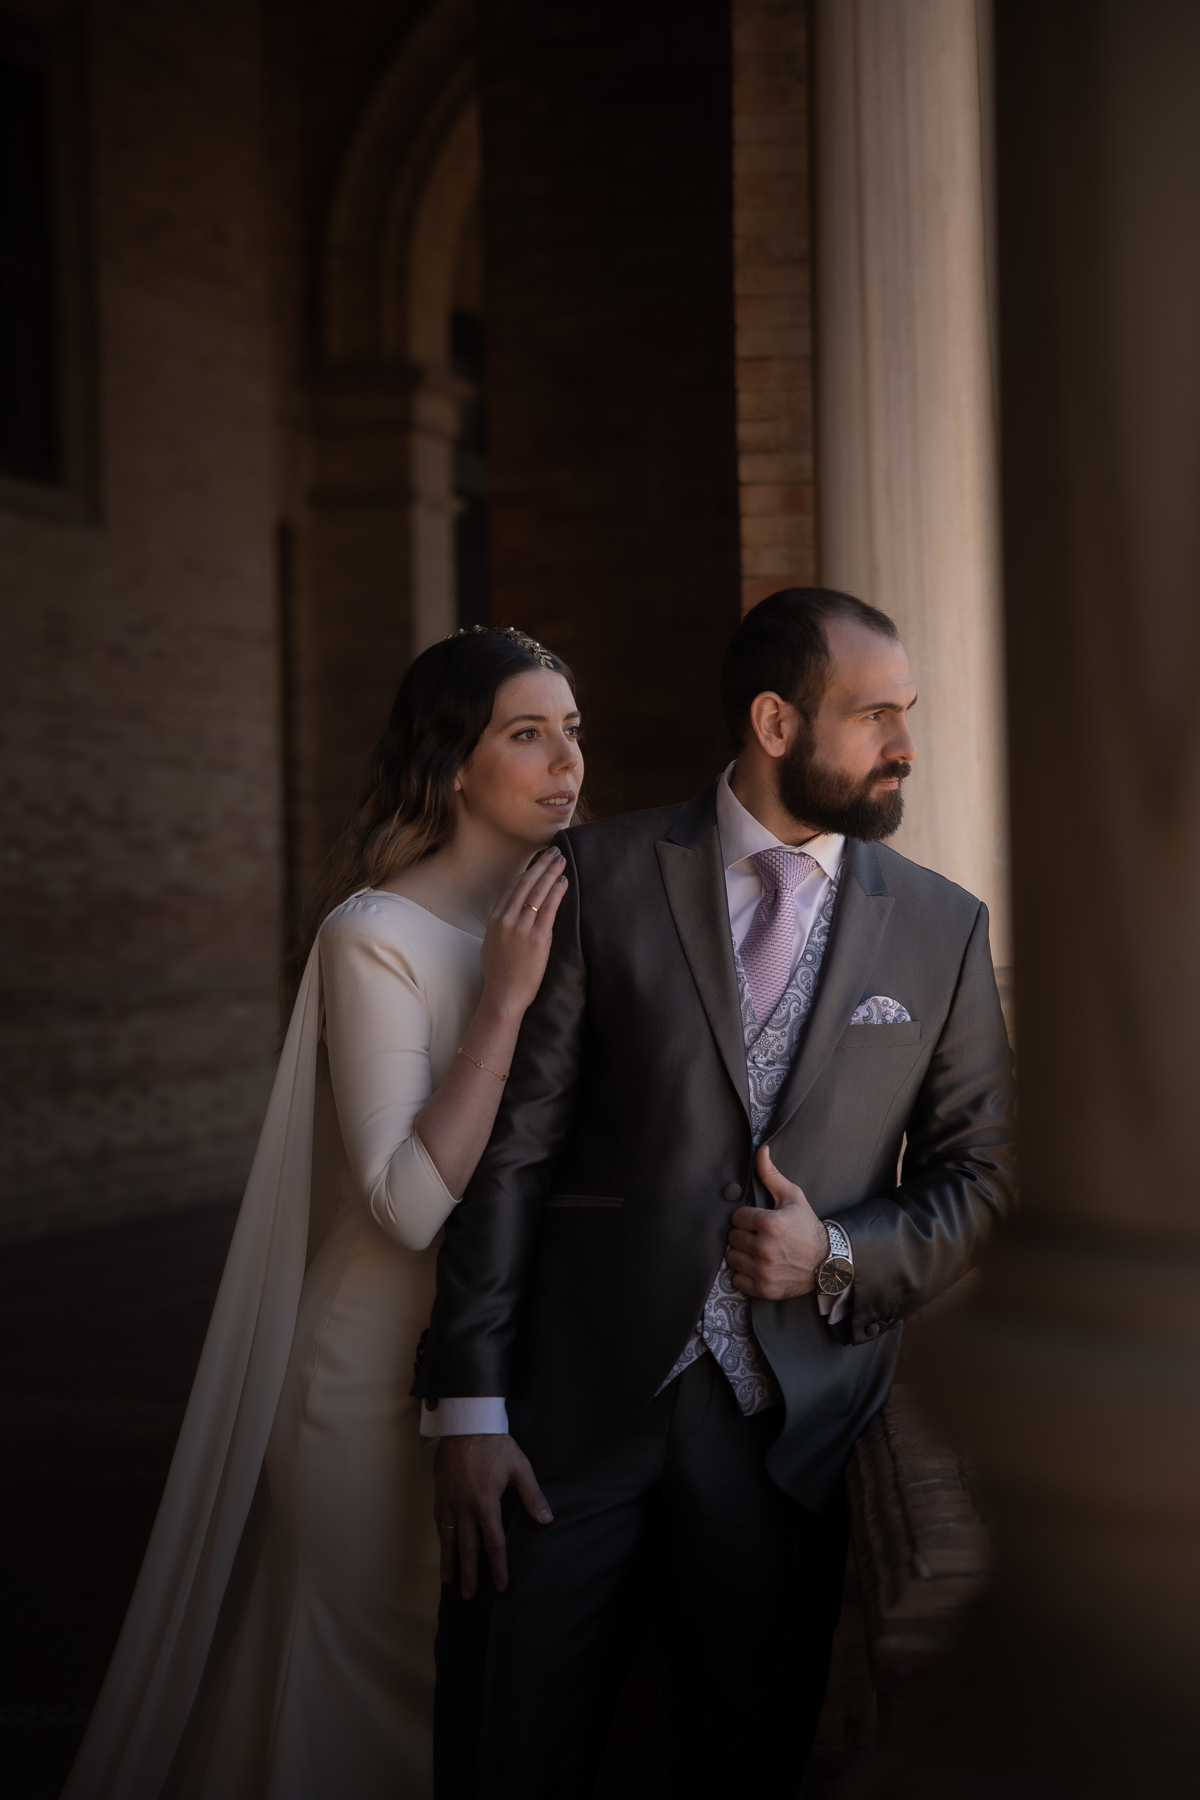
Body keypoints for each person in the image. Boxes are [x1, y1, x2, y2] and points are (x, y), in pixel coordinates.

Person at [418, 587, 1018, 1799]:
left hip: (786, 1443)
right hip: (567, 1422)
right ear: (775, 722)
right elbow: (517, 1155)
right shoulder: (599, 873)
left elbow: (982, 1178)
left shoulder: (942, 929)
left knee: (739, 1768)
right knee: (503, 1755)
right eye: (876, 715)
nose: (906, 745)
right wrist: (467, 1407)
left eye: (907, 713)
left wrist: (834, 1251)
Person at [63, 624, 583, 1800]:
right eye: (527, 733)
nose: (568, 761)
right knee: (357, 1694)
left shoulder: (573, 920)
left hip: (500, 1369)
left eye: (572, 730)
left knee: (466, 1699)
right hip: (367, 1381)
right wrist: (502, 1007)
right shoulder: (374, 936)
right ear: (455, 764)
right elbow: (406, 1205)